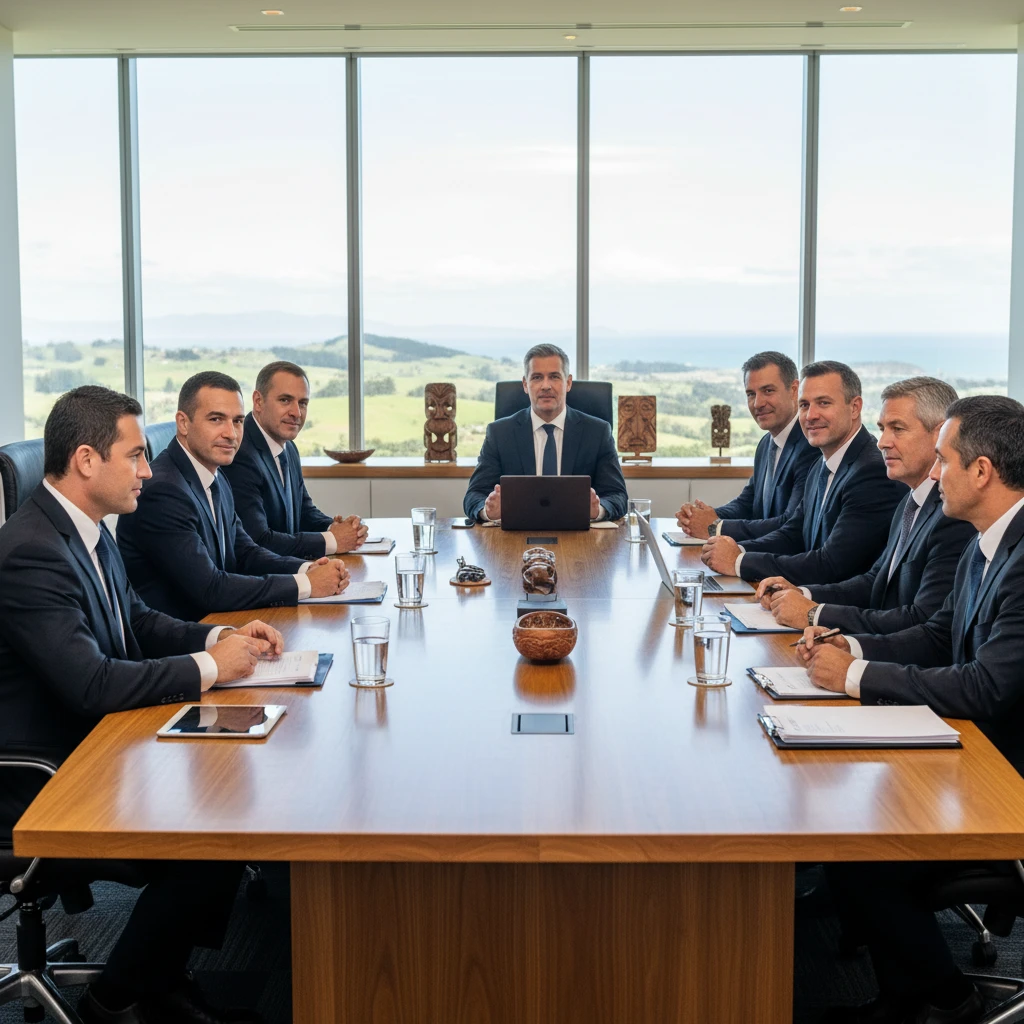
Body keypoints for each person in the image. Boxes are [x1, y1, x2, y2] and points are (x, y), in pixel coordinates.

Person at [0, 385, 281, 1024]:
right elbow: (91, 685)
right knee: (208, 833)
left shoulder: (87, 530)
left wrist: (218, 637)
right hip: (44, 774)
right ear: (86, 460)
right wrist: (211, 668)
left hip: (97, 745)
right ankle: (116, 995)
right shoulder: (31, 553)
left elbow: (139, 622)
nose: (149, 472)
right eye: (136, 457)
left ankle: (159, 976)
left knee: (227, 801)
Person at [798, 395, 1024, 1024]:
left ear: (980, 471)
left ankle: (950, 998)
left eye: (944, 460)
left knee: (865, 853)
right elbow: (936, 635)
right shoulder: (989, 540)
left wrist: (858, 677)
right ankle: (904, 998)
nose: (934, 472)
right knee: (848, 825)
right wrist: (851, 651)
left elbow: (985, 688)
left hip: (1005, 770)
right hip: (970, 741)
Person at [117, 371, 349, 621]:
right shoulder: (164, 491)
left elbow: (246, 551)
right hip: (184, 642)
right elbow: (210, 588)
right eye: (216, 419)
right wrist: (305, 585)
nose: (231, 433)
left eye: (238, 421)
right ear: (183, 423)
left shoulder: (216, 476)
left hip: (224, 623)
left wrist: (308, 569)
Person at [756, 377, 974, 632]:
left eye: (897, 429)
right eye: (882, 429)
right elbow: (875, 582)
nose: (882, 442)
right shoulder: (911, 500)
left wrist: (814, 614)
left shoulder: (953, 516)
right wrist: (802, 593)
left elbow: (922, 621)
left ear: (939, 435)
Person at [701, 360, 904, 584]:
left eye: (823, 403)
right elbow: (793, 533)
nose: (810, 416)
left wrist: (739, 561)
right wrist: (733, 549)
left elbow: (830, 564)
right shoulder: (820, 464)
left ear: (855, 407)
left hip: (833, 609)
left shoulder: (871, 472)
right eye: (804, 405)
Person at [463, 343, 628, 522]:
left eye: (554, 377)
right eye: (537, 377)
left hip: (580, 539)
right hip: (515, 539)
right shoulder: (499, 433)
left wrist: (598, 510)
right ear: (525, 385)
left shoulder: (597, 432)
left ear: (568, 383)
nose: (546, 386)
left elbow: (618, 496)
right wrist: (488, 511)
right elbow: (474, 496)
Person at [221, 360, 368, 558]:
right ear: (258, 401)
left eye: (303, 403)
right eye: (285, 400)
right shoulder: (239, 453)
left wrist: (338, 528)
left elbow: (304, 512)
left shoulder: (288, 447)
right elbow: (258, 541)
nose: (296, 413)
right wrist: (333, 540)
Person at [676, 350, 817, 541]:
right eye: (751, 394)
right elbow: (747, 503)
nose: (758, 403)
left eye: (768, 391)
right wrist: (701, 516)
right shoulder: (766, 443)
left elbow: (789, 523)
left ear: (794, 390)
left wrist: (715, 526)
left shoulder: (810, 445)